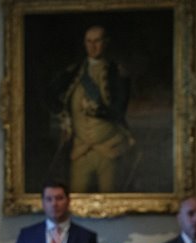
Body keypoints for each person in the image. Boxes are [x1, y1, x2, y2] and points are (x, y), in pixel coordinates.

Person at [50, 25, 133, 193]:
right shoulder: (73, 72)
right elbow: (49, 95)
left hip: (109, 149)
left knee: (111, 199)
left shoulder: (117, 73)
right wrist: (62, 115)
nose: (92, 46)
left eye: (97, 41)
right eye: (88, 41)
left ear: (106, 43)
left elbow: (119, 110)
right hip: (79, 150)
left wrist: (98, 111)